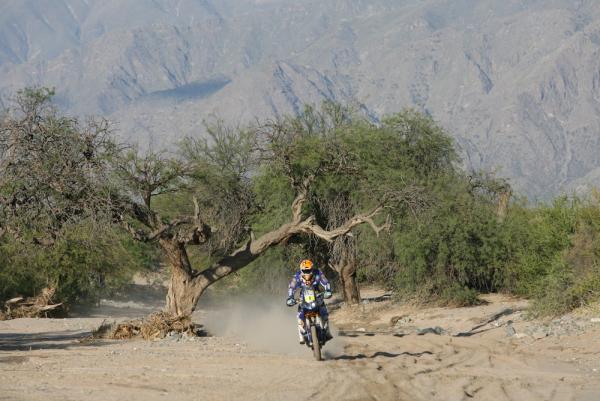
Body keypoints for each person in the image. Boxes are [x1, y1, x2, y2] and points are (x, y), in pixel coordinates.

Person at [286, 259, 333, 344]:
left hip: (317, 294)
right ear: (301, 270)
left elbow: (325, 282)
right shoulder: (297, 276)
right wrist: (290, 298)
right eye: (305, 270)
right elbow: (291, 287)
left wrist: (328, 290)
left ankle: (327, 331)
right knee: (299, 316)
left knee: (324, 312)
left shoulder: (318, 273)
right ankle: (301, 335)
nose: (307, 272)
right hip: (303, 297)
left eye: (309, 270)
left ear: (312, 268)